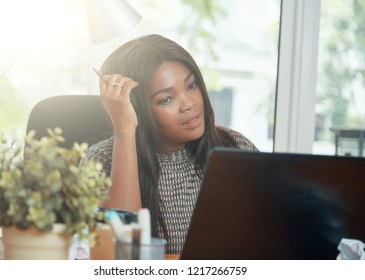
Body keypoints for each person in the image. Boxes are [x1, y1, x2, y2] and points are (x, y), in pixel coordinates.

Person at [84, 34, 258, 254]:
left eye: (191, 85)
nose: (188, 104)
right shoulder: (101, 160)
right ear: (136, 107)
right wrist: (125, 130)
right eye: (166, 99)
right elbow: (117, 258)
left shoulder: (235, 147)